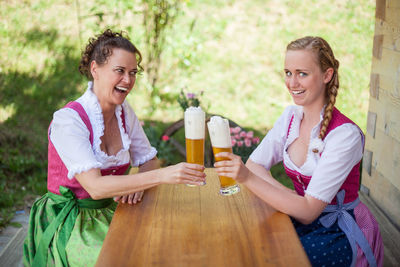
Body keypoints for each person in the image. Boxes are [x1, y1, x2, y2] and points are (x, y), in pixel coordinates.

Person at [23, 29, 206, 266]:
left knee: (168, 242)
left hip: (113, 210)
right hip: (71, 222)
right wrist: (162, 176)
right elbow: (96, 187)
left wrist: (140, 183)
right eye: (119, 71)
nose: (128, 80)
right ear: (95, 70)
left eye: (133, 73)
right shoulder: (69, 121)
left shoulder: (123, 112)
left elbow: (148, 160)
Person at [214, 36, 383, 267]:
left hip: (338, 230)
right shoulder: (291, 117)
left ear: (327, 75)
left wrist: (247, 178)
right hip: (295, 215)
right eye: (288, 72)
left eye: (302, 73)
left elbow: (308, 212)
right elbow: (255, 164)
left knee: (275, 259)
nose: (292, 83)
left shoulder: (344, 135)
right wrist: (293, 198)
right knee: (243, 241)